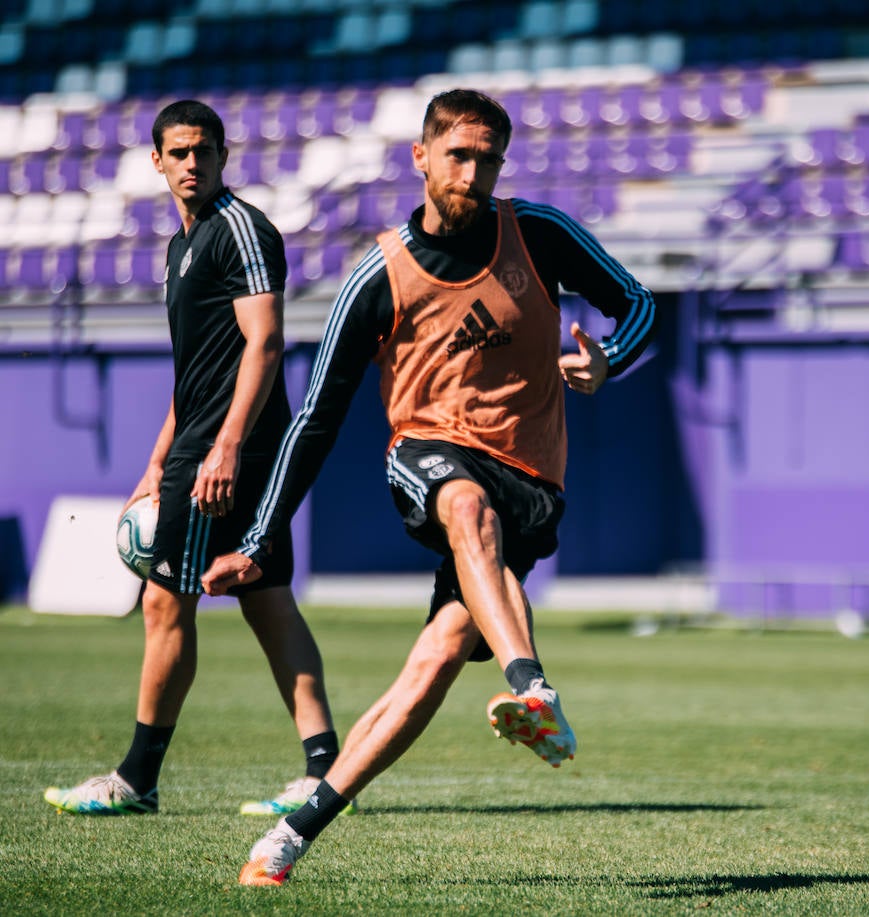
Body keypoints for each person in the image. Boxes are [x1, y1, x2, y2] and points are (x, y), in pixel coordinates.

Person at [199, 87, 657, 887]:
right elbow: (314, 419)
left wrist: (610, 358)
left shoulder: (538, 235)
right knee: (464, 504)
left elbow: (640, 303)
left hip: (535, 483)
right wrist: (260, 537)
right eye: (458, 155)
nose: (473, 173)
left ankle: (291, 834)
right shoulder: (380, 275)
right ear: (420, 156)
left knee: (437, 656)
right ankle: (534, 687)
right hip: (431, 453)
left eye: (488, 159)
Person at [43, 100, 349, 819]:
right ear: (156, 160)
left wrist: (227, 448)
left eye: (203, 151)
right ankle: (324, 770)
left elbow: (265, 343)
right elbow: (195, 373)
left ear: (222, 155)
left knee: (164, 599)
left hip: (227, 450)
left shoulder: (240, 227)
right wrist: (155, 465)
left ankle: (137, 777)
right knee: (268, 599)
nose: (191, 163)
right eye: (177, 152)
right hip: (203, 446)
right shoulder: (183, 246)